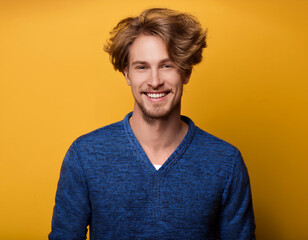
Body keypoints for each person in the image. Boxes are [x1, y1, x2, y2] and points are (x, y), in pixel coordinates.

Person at [49, 8, 256, 240]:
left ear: (186, 72)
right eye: (142, 67)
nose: (155, 81)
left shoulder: (226, 162)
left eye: (167, 65)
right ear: (127, 73)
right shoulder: (85, 155)